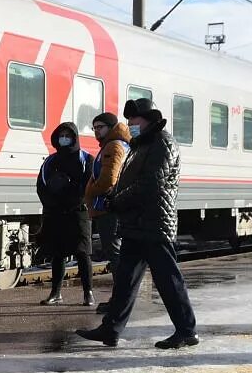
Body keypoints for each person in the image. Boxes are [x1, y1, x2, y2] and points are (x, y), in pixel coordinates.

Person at [78, 100, 197, 349]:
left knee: (168, 279)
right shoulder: (141, 145)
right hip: (136, 223)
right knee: (125, 280)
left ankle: (186, 331)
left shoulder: (162, 143)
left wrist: (116, 201)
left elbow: (151, 184)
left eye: (135, 121)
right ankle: (110, 330)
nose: (130, 125)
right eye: (129, 121)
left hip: (154, 222)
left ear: (150, 120)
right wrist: (117, 198)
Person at [86, 111, 142, 316]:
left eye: (100, 127)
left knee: (116, 255)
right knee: (117, 254)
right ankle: (120, 299)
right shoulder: (118, 144)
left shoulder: (114, 146)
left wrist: (88, 192)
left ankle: (120, 301)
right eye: (94, 128)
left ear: (110, 128)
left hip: (109, 209)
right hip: (112, 207)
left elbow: (109, 179)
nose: (96, 131)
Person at [36, 121, 94, 305]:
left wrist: (72, 198)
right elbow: (41, 186)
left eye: (68, 135)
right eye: (61, 135)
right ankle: (56, 292)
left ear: (75, 137)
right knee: (58, 254)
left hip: (78, 212)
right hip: (56, 213)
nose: (64, 139)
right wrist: (52, 203)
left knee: (83, 253)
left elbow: (88, 186)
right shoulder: (50, 161)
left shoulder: (86, 159)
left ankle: (88, 293)